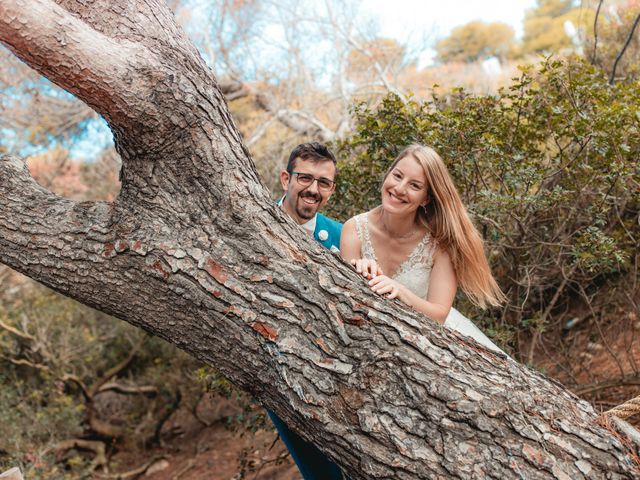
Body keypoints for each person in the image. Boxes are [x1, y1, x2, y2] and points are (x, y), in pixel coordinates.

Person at [340, 144, 506, 353]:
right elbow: (346, 299)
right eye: (397, 176)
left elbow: (438, 316)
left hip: (433, 344)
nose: (400, 189)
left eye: (415, 186)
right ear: (387, 176)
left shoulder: (440, 244)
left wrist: (400, 291)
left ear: (426, 198)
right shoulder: (354, 229)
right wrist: (357, 269)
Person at [271, 142, 344, 480]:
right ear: (286, 178)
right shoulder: (252, 226)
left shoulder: (343, 237)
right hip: (284, 380)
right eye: (305, 178)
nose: (313, 189)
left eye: (324, 183)